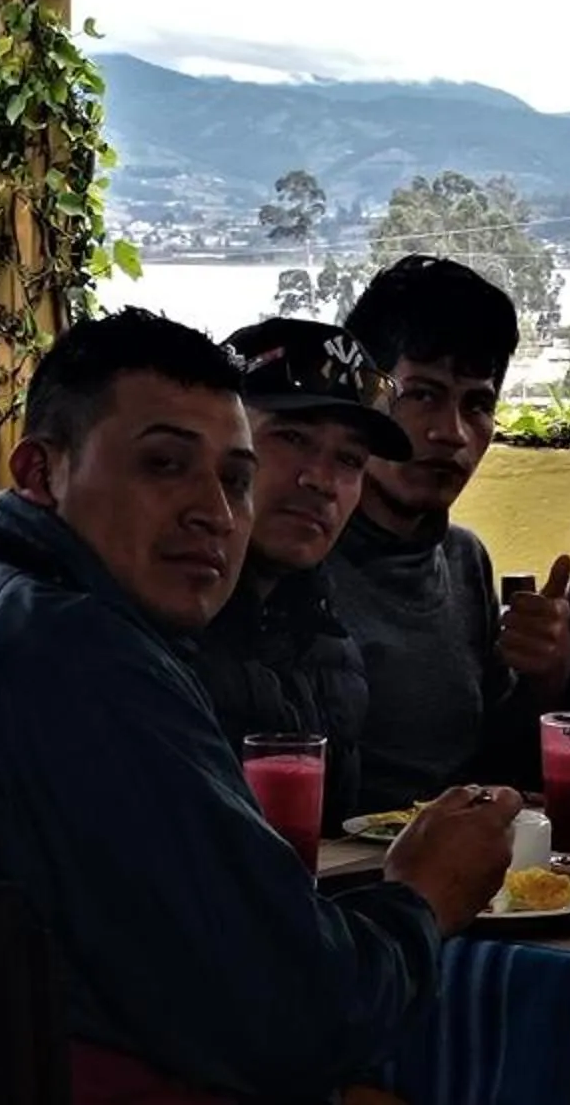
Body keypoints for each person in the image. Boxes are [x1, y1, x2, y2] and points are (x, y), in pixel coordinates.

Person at [0, 309, 517, 1101]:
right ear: (39, 473)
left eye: (233, 479)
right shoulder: (70, 659)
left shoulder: (12, 611)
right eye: (165, 465)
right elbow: (300, 1016)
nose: (215, 512)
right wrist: (422, 896)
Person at [328, 255, 570, 814]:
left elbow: (490, 763)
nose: (451, 433)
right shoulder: (294, 557)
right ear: (364, 397)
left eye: (477, 404)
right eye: (422, 395)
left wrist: (547, 678)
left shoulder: (464, 559)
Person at [188, 317, 413, 828]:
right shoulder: (158, 624)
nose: (322, 481)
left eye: (350, 459)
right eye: (291, 437)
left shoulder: (327, 642)